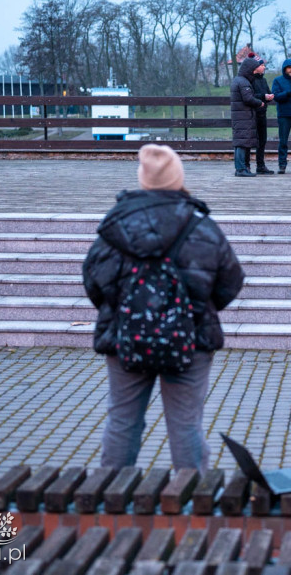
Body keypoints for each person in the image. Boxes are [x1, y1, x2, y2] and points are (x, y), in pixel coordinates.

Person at [83, 144, 245, 473]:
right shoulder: (200, 225)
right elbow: (231, 280)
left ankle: (110, 501)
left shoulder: (116, 225)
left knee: (123, 422)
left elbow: (93, 279)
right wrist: (195, 310)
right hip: (191, 338)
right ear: (177, 178)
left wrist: (123, 310)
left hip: (125, 336)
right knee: (186, 426)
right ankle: (192, 505)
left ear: (143, 179)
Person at [229, 57, 265, 176]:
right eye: (254, 70)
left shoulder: (238, 80)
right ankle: (241, 169)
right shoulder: (243, 82)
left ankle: (241, 168)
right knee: (242, 143)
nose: (255, 72)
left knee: (240, 143)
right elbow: (248, 98)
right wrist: (260, 102)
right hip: (243, 117)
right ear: (249, 70)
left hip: (240, 116)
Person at [250, 59, 276, 175]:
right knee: (250, 140)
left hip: (262, 113)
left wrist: (270, 96)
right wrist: (263, 96)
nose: (264, 67)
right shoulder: (250, 80)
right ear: (256, 67)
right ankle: (245, 166)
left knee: (262, 140)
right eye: (262, 65)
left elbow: (267, 93)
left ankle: (260, 165)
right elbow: (250, 96)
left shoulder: (264, 80)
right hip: (252, 114)